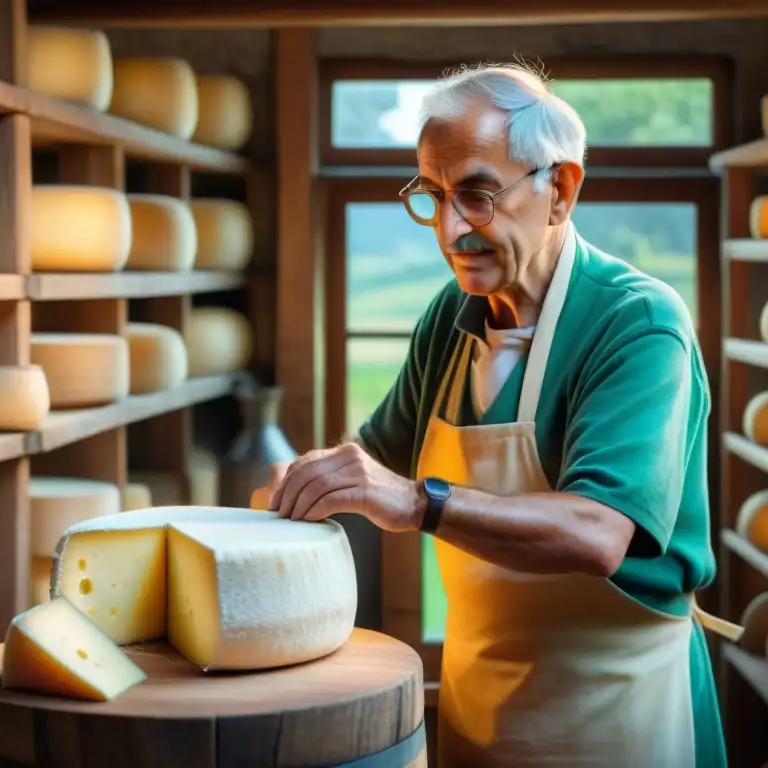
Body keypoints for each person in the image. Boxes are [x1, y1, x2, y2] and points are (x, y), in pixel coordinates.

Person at [254, 62, 742, 768]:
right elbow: (375, 463)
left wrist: (417, 502)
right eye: (433, 196)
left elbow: (598, 532)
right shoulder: (450, 317)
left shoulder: (637, 323)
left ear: (561, 190)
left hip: (619, 716)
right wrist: (305, 484)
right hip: (479, 710)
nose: (452, 229)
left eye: (478, 195)